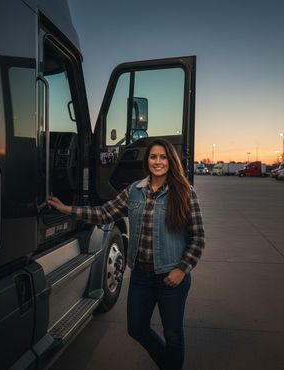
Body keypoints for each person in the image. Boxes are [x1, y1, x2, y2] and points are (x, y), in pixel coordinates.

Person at [47, 138, 205, 370]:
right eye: (153, 157)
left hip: (172, 277)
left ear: (171, 161)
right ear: (147, 160)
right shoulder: (134, 191)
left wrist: (182, 269)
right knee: (136, 328)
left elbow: (198, 238)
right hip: (141, 275)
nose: (158, 162)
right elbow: (103, 213)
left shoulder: (184, 193)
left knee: (173, 333)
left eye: (163, 157)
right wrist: (68, 209)